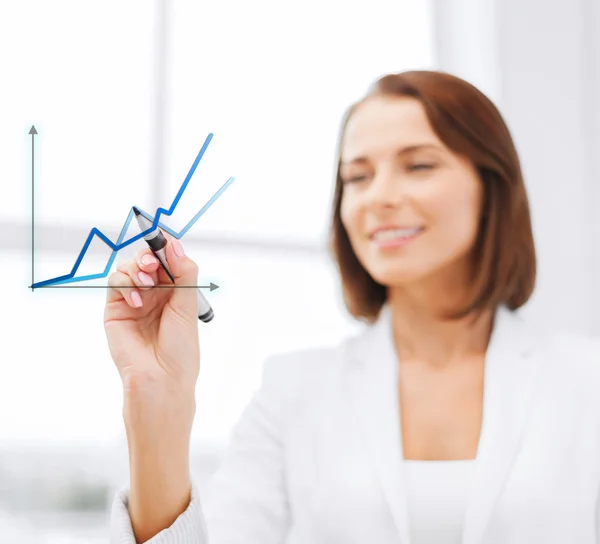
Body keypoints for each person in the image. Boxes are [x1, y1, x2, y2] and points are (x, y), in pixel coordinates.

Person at [105, 70, 600, 544]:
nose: (378, 197)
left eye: (419, 165)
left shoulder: (586, 382)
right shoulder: (294, 392)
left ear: (493, 189)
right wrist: (157, 401)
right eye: (358, 177)